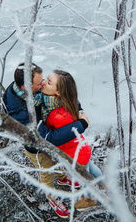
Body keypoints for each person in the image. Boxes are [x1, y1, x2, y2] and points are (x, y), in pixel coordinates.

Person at [2, 63, 90, 218]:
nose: (43, 83)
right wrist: (80, 125)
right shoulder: (18, 111)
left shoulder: (39, 93)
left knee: (57, 162)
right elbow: (47, 138)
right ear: (26, 88)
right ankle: (52, 197)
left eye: (45, 80)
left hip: (52, 140)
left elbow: (66, 95)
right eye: (39, 82)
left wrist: (79, 111)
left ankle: (63, 179)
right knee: (47, 173)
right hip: (37, 148)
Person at [41, 69, 103, 211]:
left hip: (74, 157)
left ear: (58, 93)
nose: (43, 82)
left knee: (84, 179)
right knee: (91, 169)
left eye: (49, 82)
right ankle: (102, 182)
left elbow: (50, 135)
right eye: (46, 78)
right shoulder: (71, 105)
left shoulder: (54, 115)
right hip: (83, 149)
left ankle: (88, 199)